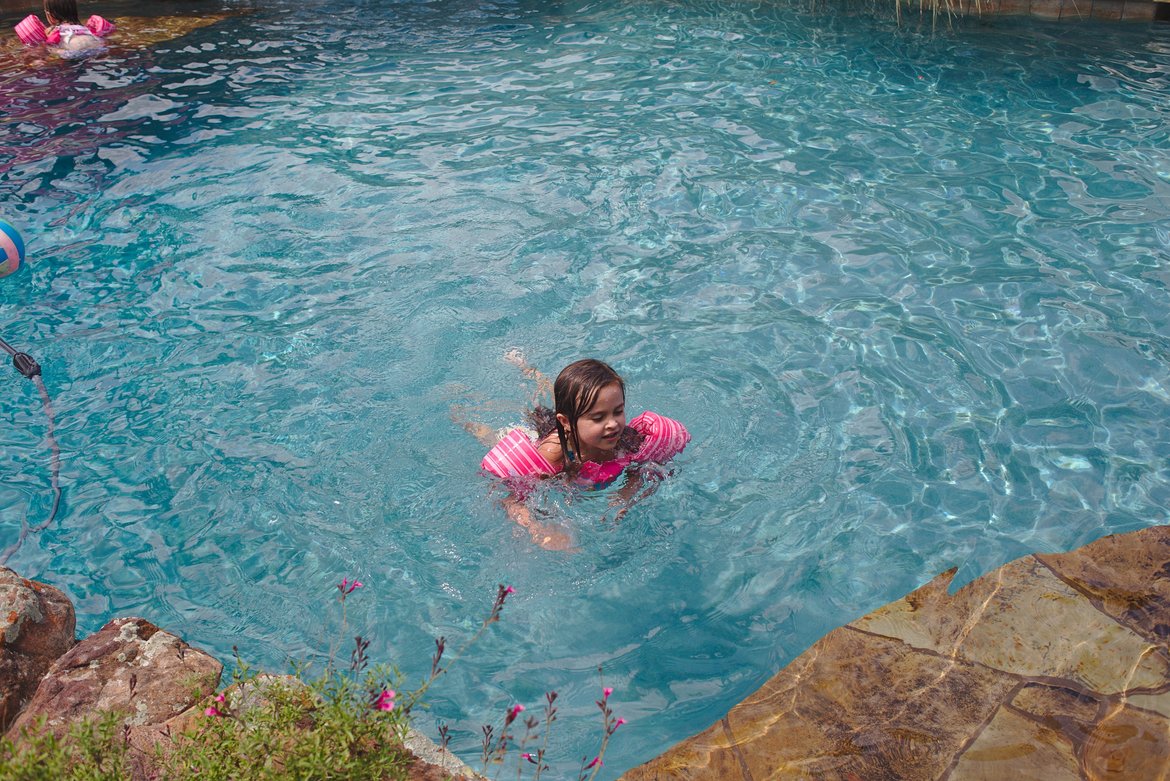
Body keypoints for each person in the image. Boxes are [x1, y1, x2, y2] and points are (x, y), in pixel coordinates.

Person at [463, 354, 690, 550]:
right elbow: (512, 501)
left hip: (570, 425)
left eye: (618, 411)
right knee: (503, 431)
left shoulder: (626, 441)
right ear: (568, 422)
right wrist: (536, 529)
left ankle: (531, 371)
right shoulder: (552, 454)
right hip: (547, 431)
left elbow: (639, 468)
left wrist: (626, 495)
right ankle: (515, 379)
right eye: (598, 417)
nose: (612, 424)